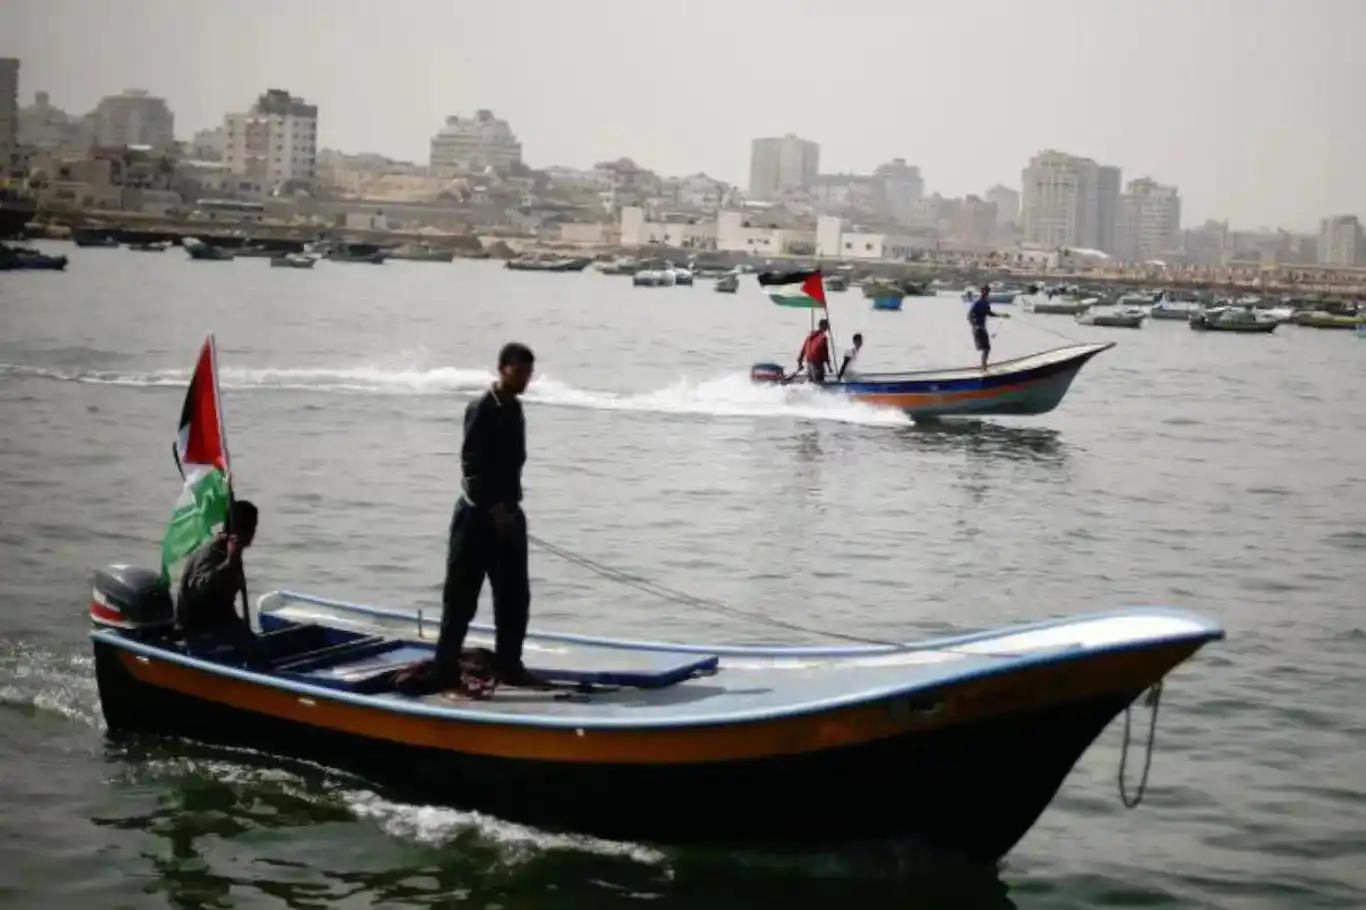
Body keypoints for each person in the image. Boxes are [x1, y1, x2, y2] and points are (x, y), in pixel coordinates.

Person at [426, 341, 546, 694]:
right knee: (461, 598)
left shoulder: (515, 409)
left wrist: (509, 512)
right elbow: (471, 467)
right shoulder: (482, 408)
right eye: (518, 371)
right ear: (501, 369)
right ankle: (444, 669)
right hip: (476, 518)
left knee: (514, 598)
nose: (524, 378)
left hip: (509, 517)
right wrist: (493, 509)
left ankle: (510, 666)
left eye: (528, 372)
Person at [176, 498, 265, 667]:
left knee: (255, 646)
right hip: (197, 626)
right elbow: (198, 589)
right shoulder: (211, 552)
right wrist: (228, 564)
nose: (254, 534)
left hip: (221, 620)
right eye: (253, 528)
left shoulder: (233, 552)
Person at [968, 285, 1010, 370]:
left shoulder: (986, 303)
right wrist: (975, 325)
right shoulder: (977, 303)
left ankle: (983, 366)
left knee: (986, 348)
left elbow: (989, 313)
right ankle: (983, 367)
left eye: (988, 292)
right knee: (986, 348)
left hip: (982, 328)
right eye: (985, 291)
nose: (987, 293)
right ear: (982, 292)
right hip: (978, 328)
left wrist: (1002, 315)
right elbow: (969, 316)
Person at [796, 319, 832, 384]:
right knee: (819, 384)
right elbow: (825, 352)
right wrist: (828, 365)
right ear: (823, 326)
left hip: (809, 363)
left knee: (811, 383)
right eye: (827, 326)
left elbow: (804, 349)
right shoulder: (823, 337)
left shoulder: (809, 336)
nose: (828, 327)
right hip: (817, 364)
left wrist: (800, 361)